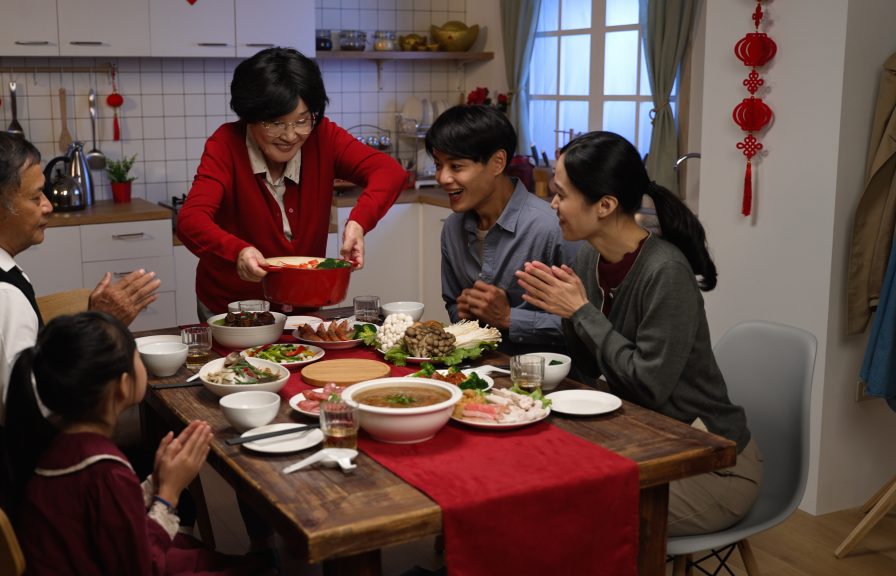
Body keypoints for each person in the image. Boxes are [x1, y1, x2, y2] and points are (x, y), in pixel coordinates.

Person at [515, 131, 762, 536]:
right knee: (529, 475)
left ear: (605, 205)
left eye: (561, 194)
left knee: (567, 513)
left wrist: (580, 311)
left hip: (709, 462)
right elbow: (593, 368)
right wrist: (566, 312)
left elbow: (648, 385)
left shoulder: (665, 271)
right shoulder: (590, 255)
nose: (552, 205)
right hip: (643, 442)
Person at [0, 130, 161, 507]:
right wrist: (102, 328)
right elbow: (35, 418)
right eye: (35, 196)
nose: (48, 206)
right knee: (162, 452)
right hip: (22, 489)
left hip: (1, 470)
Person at [10, 311, 259, 575]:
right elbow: (143, 565)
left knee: (208, 558)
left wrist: (158, 480)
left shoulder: (61, 447)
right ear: (123, 385)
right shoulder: (105, 472)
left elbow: (109, 521)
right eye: (136, 358)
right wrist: (169, 494)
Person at [177, 46, 406, 316]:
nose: (290, 135)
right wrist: (238, 251)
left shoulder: (323, 136)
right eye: (274, 123)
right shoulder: (226, 143)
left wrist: (358, 222)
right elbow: (191, 220)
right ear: (249, 116)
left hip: (305, 303)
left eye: (301, 120)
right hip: (235, 309)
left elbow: (389, 171)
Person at [424, 105, 577, 354]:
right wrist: (464, 313)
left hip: (552, 384)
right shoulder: (453, 228)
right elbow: (452, 303)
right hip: (481, 371)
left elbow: (589, 329)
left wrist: (509, 317)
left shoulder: (552, 228)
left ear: (497, 163)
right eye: (438, 165)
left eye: (456, 166)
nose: (442, 178)